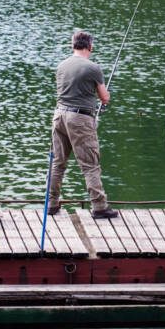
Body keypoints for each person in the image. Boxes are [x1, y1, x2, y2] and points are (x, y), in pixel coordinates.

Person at [48, 30, 117, 219]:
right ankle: (99, 206)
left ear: (73, 45)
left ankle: (51, 204)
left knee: (58, 163)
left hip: (59, 116)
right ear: (90, 46)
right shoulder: (93, 68)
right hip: (80, 119)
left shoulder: (62, 66)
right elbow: (104, 97)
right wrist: (106, 96)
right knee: (90, 165)